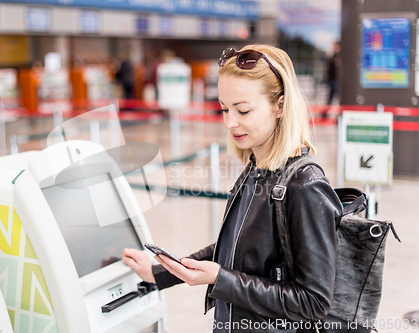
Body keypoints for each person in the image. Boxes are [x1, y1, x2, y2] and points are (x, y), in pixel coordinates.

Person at [122, 44, 342, 332]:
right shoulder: (256, 167)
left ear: (281, 105)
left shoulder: (305, 185)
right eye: (225, 109)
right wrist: (159, 273)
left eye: (243, 110)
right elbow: (237, 249)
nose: (229, 122)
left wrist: (221, 279)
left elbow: (313, 302)